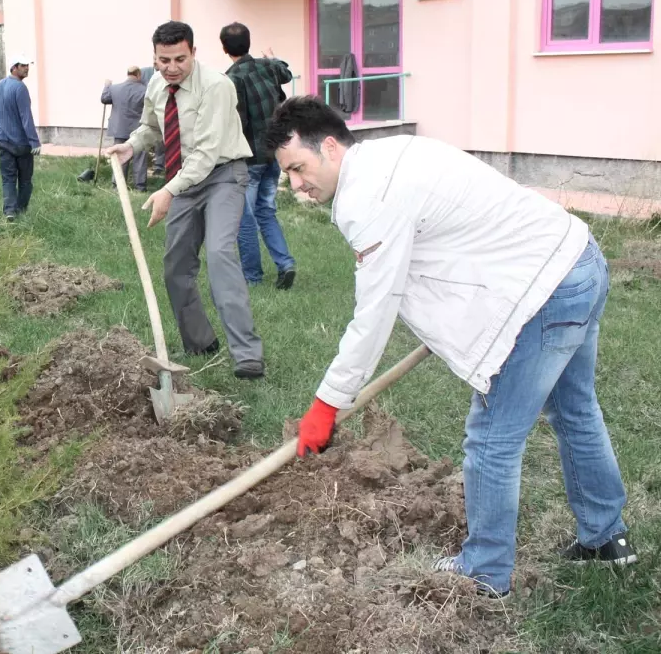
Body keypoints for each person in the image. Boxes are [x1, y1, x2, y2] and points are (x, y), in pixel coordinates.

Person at [267, 96, 634, 598]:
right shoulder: (391, 154)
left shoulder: (367, 198)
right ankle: (606, 537)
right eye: (287, 174)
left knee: (492, 439)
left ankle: (485, 572)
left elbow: (375, 312)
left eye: (298, 168)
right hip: (577, 258)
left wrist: (328, 401)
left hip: (541, 292)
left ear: (329, 146)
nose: (296, 185)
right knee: (574, 409)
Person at [106, 22, 264, 379]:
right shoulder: (156, 84)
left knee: (221, 254)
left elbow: (207, 153)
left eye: (180, 58)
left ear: (194, 52)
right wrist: (132, 145)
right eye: (164, 60)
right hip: (183, 181)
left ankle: (247, 354)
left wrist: (167, 191)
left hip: (223, 175)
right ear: (155, 58)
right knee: (176, 267)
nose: (172, 67)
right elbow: (150, 127)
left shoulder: (217, 87)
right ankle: (199, 343)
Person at [220, 22, 297, 290]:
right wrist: (272, 57)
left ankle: (252, 277)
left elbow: (238, 122)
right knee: (266, 211)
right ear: (249, 42)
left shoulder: (231, 79)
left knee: (245, 218)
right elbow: (286, 72)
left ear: (224, 48)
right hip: (274, 155)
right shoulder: (268, 67)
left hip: (250, 159)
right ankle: (285, 263)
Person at [0, 54, 41, 221]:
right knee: (25, 180)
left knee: (8, 179)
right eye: (23, 65)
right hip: (21, 143)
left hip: (3, 140)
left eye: (28, 65)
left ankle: (9, 211)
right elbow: (26, 116)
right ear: (14, 67)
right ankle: (20, 210)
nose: (27, 68)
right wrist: (34, 141)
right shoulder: (20, 88)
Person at [100, 66, 148, 191]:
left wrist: (106, 86)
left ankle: (117, 186)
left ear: (127, 74)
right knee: (140, 158)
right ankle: (140, 187)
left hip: (119, 129)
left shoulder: (114, 88)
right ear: (138, 75)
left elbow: (104, 99)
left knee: (120, 157)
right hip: (138, 129)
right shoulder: (145, 90)